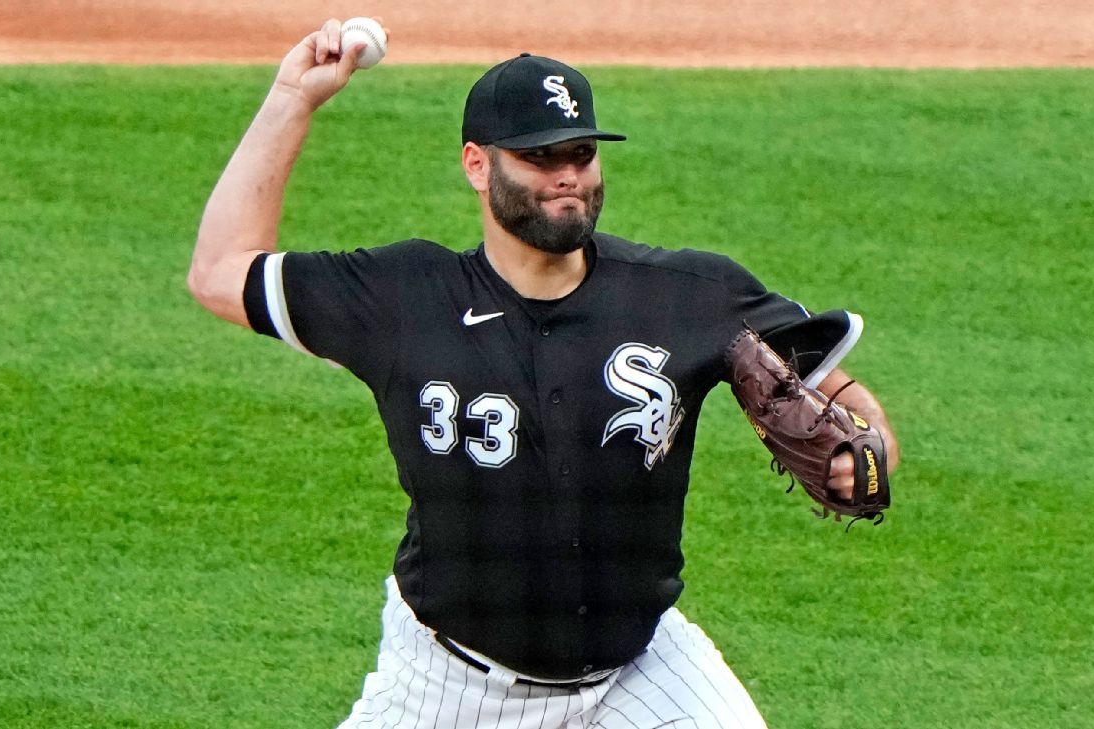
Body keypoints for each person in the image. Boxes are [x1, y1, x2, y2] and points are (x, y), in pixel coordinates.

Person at [188, 18, 899, 729]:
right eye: (540, 156)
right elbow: (220, 272)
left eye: (582, 153)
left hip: (639, 673)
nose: (567, 174)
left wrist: (864, 444)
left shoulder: (687, 293)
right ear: (477, 164)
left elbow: (833, 387)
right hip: (450, 682)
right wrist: (293, 96)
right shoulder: (404, 297)